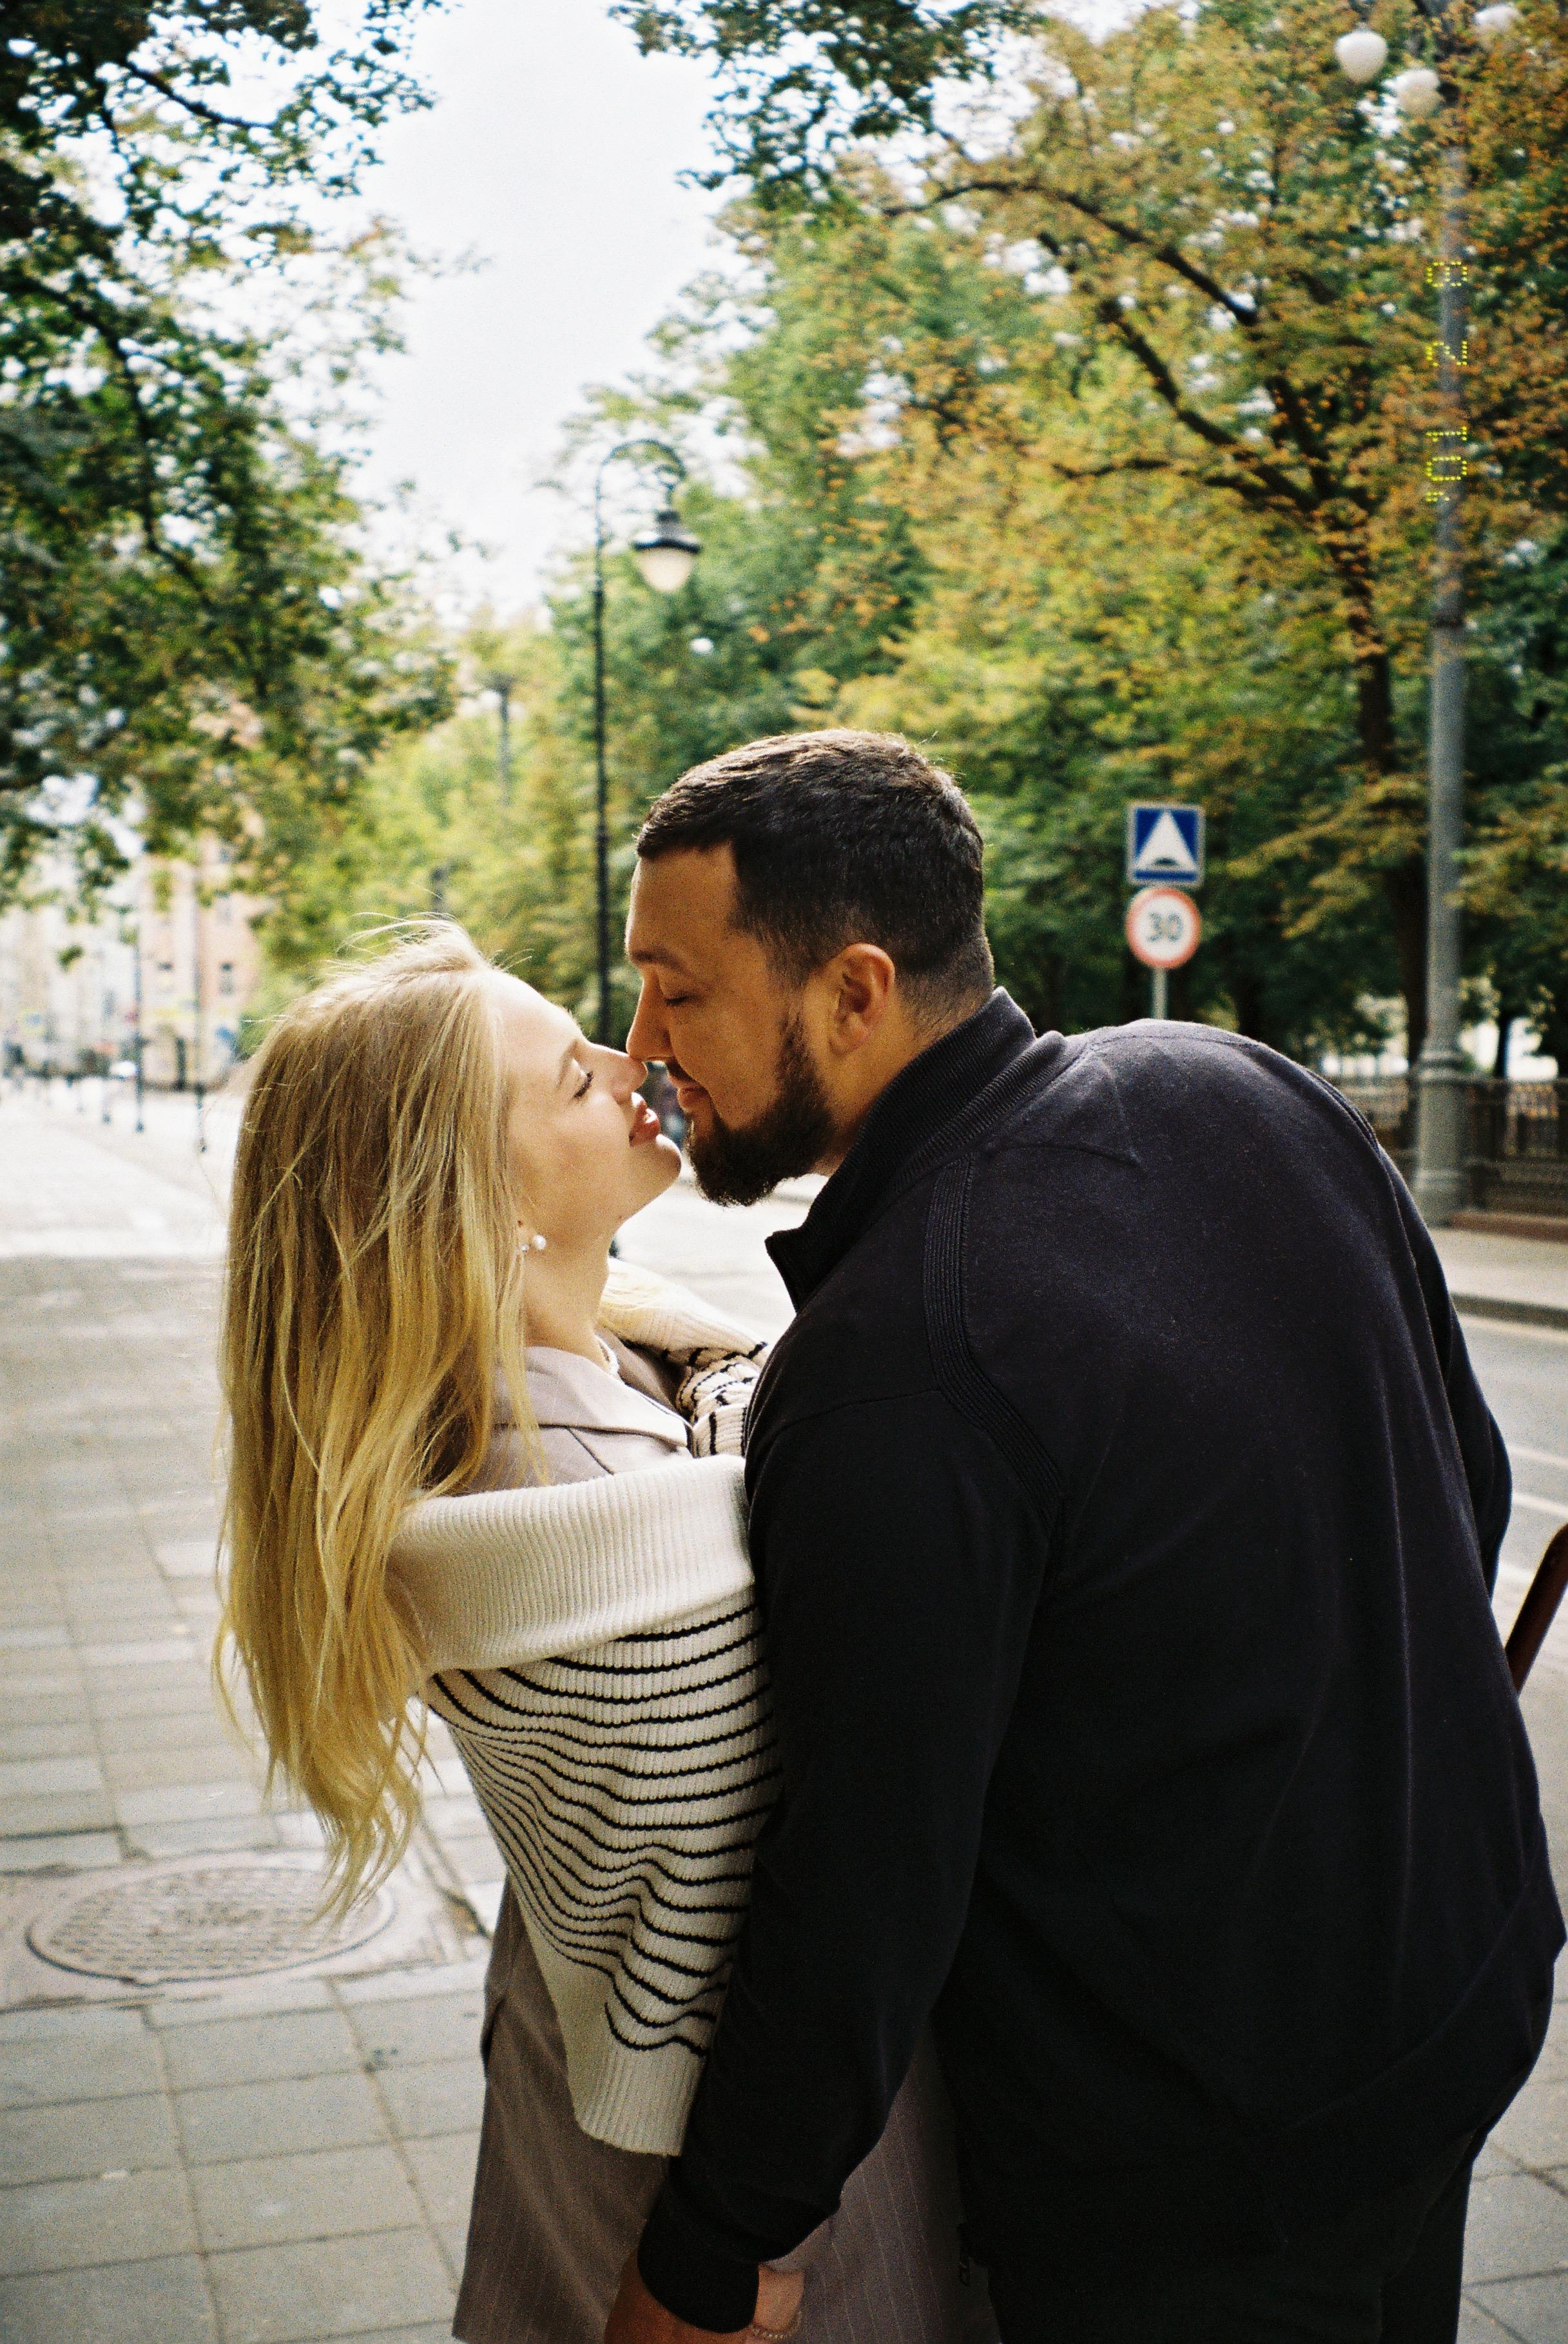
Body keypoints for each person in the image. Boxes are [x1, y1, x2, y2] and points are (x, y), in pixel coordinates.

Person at [606, 728, 1563, 2344]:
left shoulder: (897, 1355)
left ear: (851, 992)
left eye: (676, 988)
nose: (639, 1038)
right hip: (1457, 2005)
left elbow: (860, 1881)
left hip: (1196, 2191)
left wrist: (712, 2250)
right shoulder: (1244, 1087)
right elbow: (1456, 1485)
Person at [217, 924, 996, 2344]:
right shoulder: (570, 1516)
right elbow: (812, 1872)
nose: (628, 1061)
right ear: (478, 1202)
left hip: (608, 2103)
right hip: (754, 2183)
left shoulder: (613, 1362)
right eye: (571, 1080)